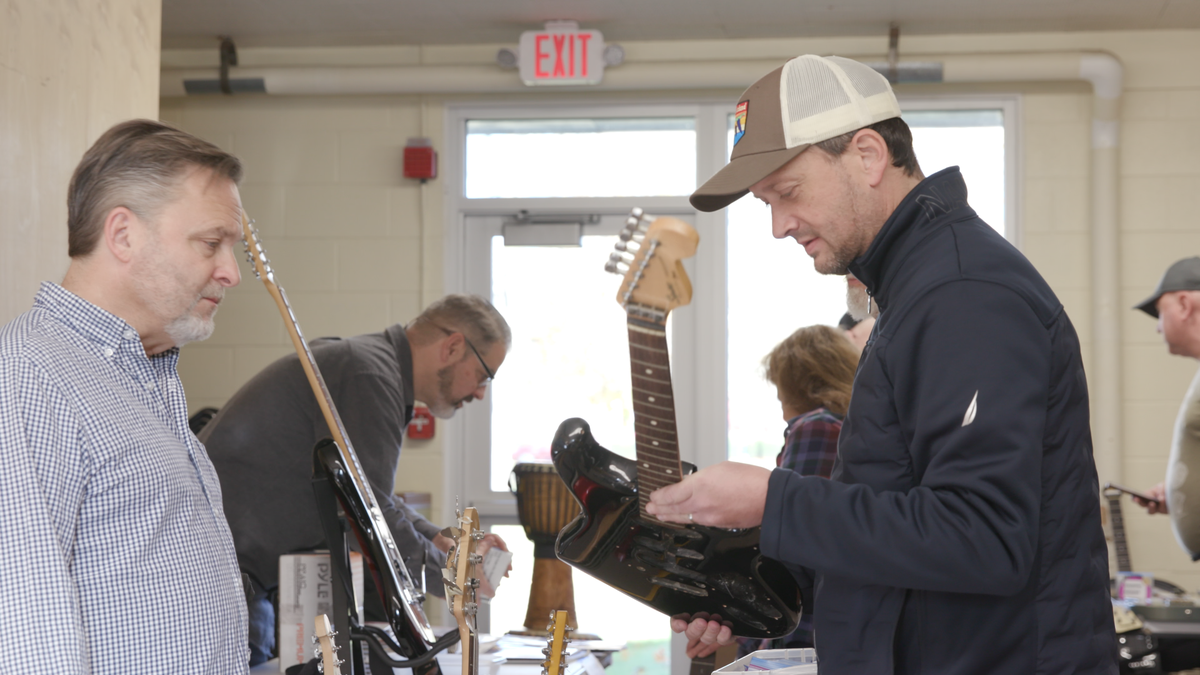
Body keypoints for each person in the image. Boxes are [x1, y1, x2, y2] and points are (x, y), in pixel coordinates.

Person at [646, 55, 1115, 674]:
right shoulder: (916, 292)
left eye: (787, 193)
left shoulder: (964, 293)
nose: (779, 226)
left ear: (867, 155)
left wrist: (774, 501)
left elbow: (983, 539)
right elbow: (900, 529)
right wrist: (750, 592)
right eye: (766, 203)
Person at [0, 120, 250, 673]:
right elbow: (23, 627)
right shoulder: (32, 375)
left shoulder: (143, 374)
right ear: (123, 235)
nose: (231, 272)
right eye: (212, 243)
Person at [197, 294, 511, 664]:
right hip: (218, 580)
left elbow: (370, 497)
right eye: (484, 375)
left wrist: (442, 543)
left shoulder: (371, 365)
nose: (479, 393)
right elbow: (366, 515)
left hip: (238, 577)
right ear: (453, 347)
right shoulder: (370, 376)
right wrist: (457, 579)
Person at [737, 324, 857, 654]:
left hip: (802, 626)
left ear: (795, 384)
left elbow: (790, 536)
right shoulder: (851, 428)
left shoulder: (814, 427)